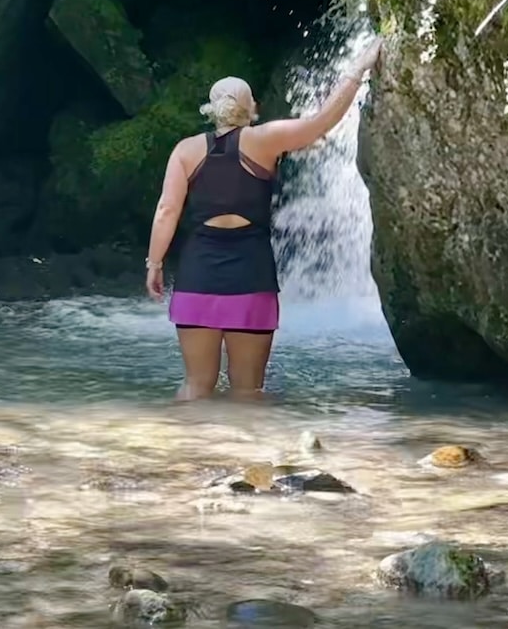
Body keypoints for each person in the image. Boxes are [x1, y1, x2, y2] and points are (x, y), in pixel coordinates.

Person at [144, 38, 384, 400]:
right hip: (251, 275)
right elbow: (321, 123)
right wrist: (359, 68)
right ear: (250, 108)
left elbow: (167, 211)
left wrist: (154, 263)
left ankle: (186, 455)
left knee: (195, 385)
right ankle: (248, 456)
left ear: (212, 110)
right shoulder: (265, 139)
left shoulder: (185, 151)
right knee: (248, 390)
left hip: (198, 275)